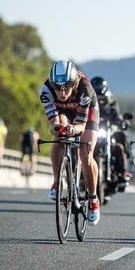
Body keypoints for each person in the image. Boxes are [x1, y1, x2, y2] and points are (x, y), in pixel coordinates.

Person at [39, 59, 101, 225]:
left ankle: (93, 198)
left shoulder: (85, 88)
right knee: (58, 136)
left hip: (87, 113)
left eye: (67, 86)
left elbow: (81, 125)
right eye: (58, 87)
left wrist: (75, 129)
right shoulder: (45, 91)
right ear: (52, 84)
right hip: (64, 111)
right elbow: (53, 124)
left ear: (75, 82)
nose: (62, 91)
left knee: (86, 154)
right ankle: (56, 181)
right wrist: (58, 128)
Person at [90, 76, 130, 188]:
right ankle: (75, 174)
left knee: (119, 147)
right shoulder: (87, 97)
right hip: (92, 131)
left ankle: (122, 174)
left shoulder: (111, 99)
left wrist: (121, 122)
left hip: (108, 131)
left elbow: (116, 113)